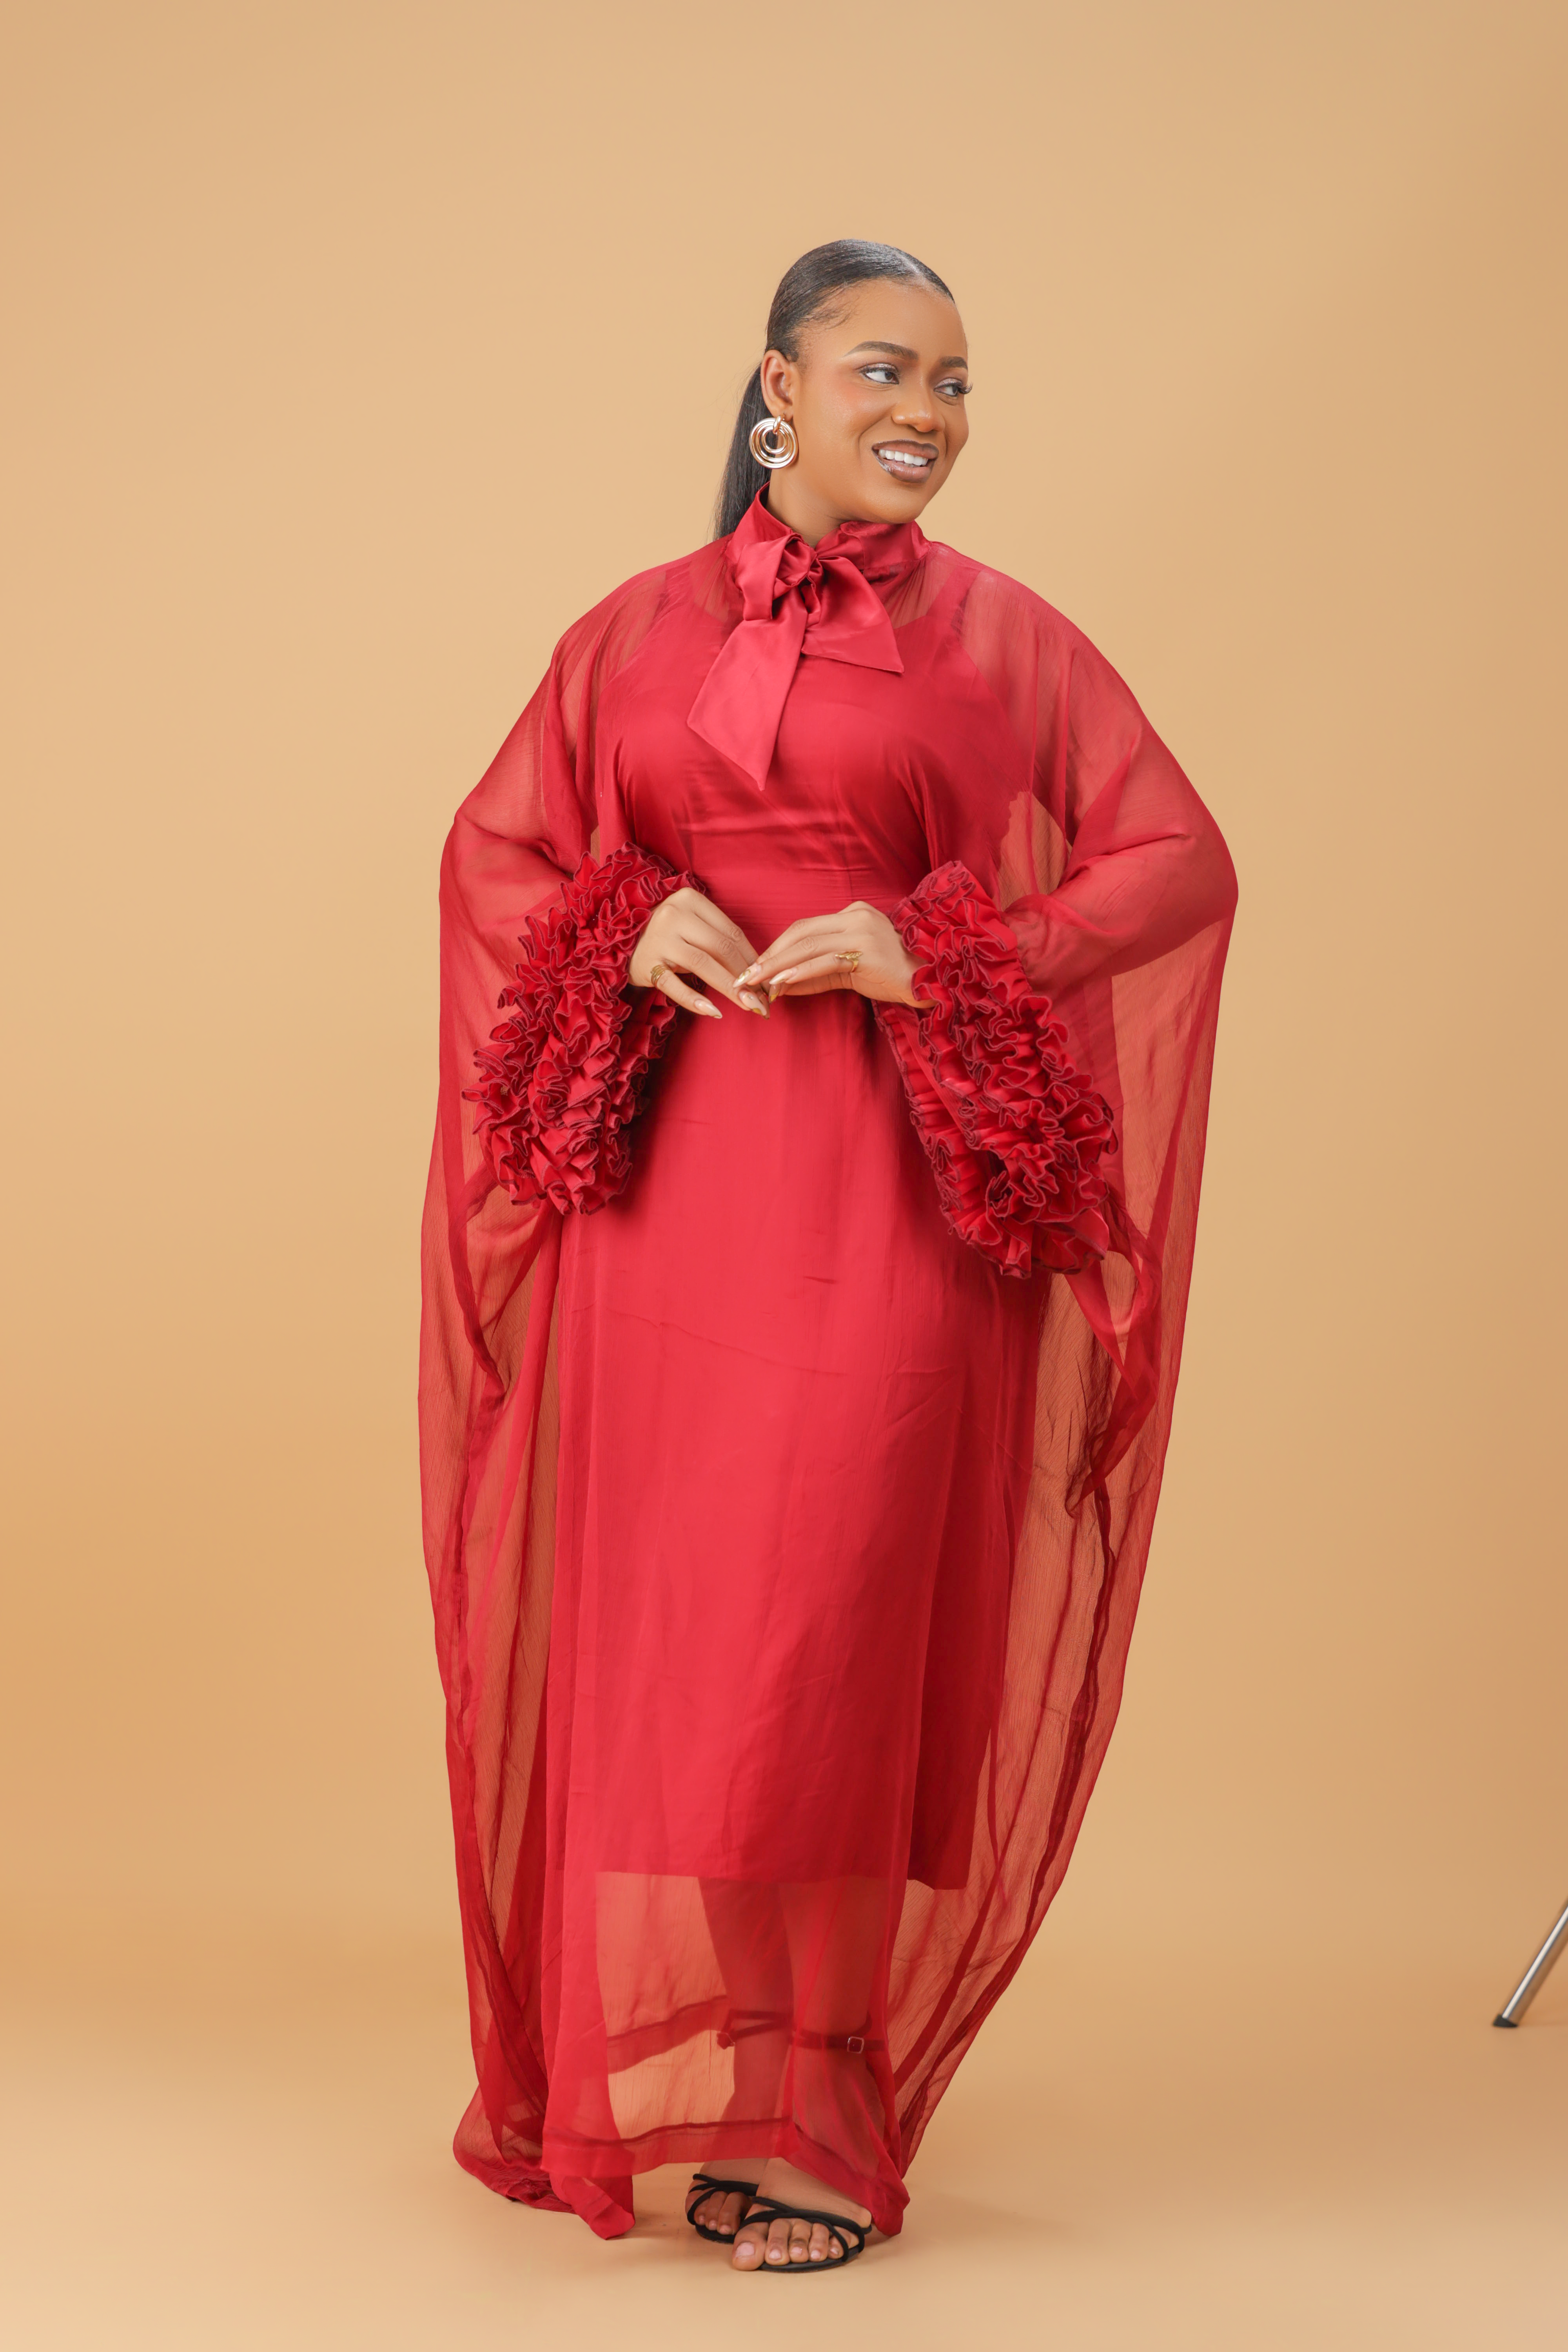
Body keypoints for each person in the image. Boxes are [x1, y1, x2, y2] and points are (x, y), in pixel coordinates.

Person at [419, 238, 1236, 2274]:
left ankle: (825, 2115)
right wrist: (625, 922)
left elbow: (1176, 858)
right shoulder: (633, 633)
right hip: (671, 1213)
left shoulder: (1007, 644)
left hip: (883, 1202)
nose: (933, 417)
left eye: (958, 386)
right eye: (891, 370)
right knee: (689, 1646)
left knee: (842, 1645)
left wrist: (948, 941)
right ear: (773, 386)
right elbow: (494, 851)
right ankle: (693, 2081)